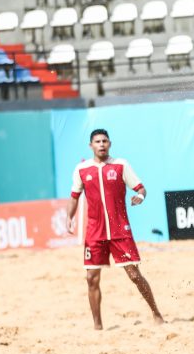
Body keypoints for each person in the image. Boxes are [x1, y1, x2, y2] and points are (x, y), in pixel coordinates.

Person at [66, 128, 164, 330]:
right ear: (90, 145)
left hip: (120, 230)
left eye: (104, 141)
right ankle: (98, 327)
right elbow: (74, 197)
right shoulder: (81, 169)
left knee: (134, 275)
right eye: (97, 141)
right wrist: (69, 217)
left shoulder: (121, 165)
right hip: (94, 232)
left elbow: (140, 188)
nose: (101, 144)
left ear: (109, 144)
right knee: (91, 278)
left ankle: (156, 314)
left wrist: (141, 197)